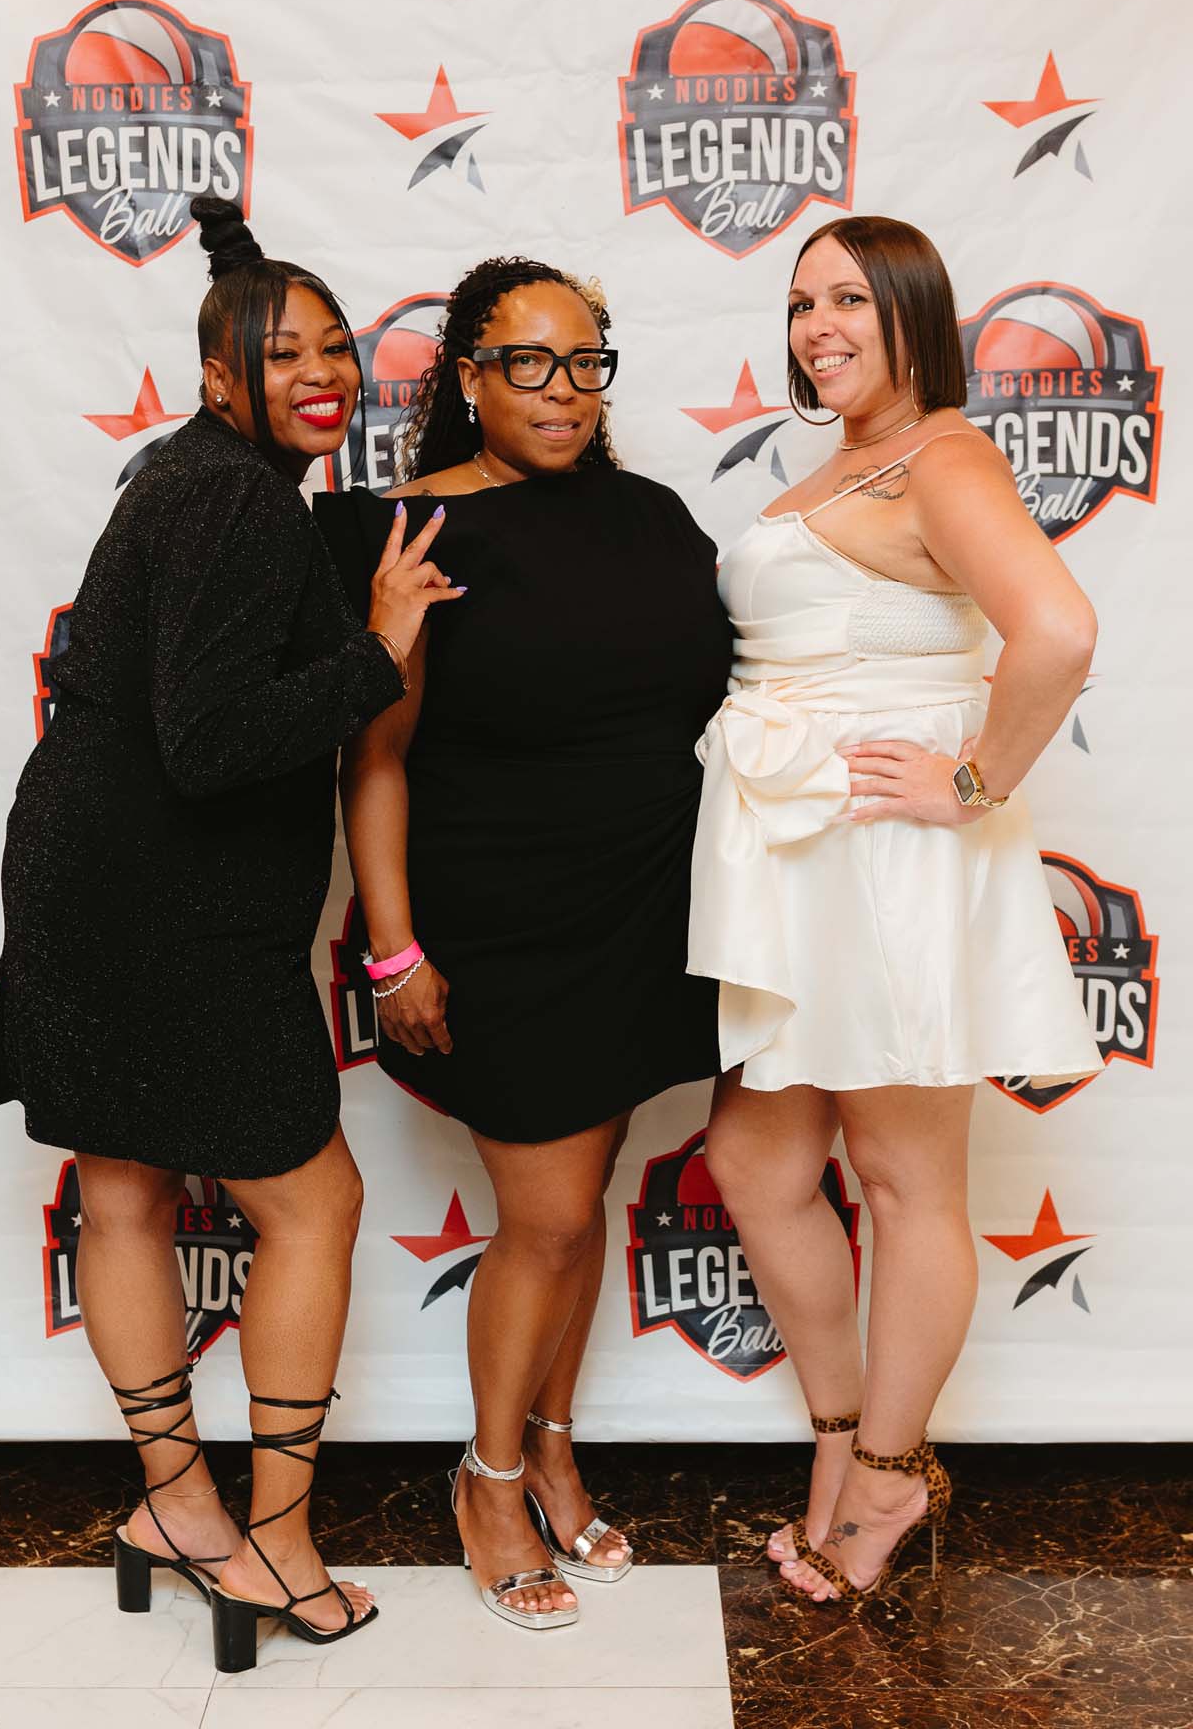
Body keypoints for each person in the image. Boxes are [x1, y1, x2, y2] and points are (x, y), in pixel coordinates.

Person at [0, 197, 461, 1671]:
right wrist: (381, 650)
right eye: (284, 354)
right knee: (310, 1202)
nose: (324, 375)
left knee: (125, 1189)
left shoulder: (200, 478)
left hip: (93, 876)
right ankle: (276, 1543)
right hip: (165, 901)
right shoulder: (238, 499)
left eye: (337, 348)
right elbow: (207, 742)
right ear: (216, 378)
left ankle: (176, 1508)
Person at [316, 256, 732, 1630]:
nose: (563, 390)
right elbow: (376, 757)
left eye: (584, 361)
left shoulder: (654, 517)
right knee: (547, 1217)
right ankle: (488, 1480)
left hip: (644, 911)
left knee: (582, 1196)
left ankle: (551, 1446)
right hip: (499, 923)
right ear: (469, 376)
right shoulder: (412, 532)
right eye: (527, 362)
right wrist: (392, 950)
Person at [692, 215, 1101, 1607]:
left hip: (884, 856)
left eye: (851, 300)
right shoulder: (840, 463)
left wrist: (973, 781)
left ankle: (884, 1482)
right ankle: (839, 1440)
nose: (819, 327)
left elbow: (1058, 630)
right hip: (798, 854)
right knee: (757, 1160)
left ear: (914, 312)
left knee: (904, 1176)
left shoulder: (944, 456)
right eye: (802, 302)